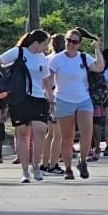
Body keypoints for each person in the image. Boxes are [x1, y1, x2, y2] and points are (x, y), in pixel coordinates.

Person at [0, 30, 53, 183]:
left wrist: (50, 97)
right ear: (37, 42)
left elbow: (46, 80)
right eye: (45, 44)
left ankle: (35, 165)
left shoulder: (42, 57)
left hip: (38, 97)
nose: (46, 47)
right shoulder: (18, 52)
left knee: (41, 130)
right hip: (20, 98)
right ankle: (24, 171)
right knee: (22, 132)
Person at [45, 29, 105, 180]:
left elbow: (99, 67)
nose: (70, 44)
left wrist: (97, 48)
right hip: (63, 100)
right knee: (67, 137)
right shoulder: (56, 59)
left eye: (74, 42)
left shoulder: (84, 57)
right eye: (68, 40)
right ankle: (67, 168)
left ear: (79, 44)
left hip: (83, 99)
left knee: (87, 133)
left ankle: (83, 161)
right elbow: (47, 81)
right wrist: (50, 98)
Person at [39, 33, 65, 175]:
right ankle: (53, 164)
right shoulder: (61, 59)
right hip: (55, 96)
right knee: (58, 134)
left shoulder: (47, 58)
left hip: (44, 96)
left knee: (49, 134)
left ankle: (44, 163)